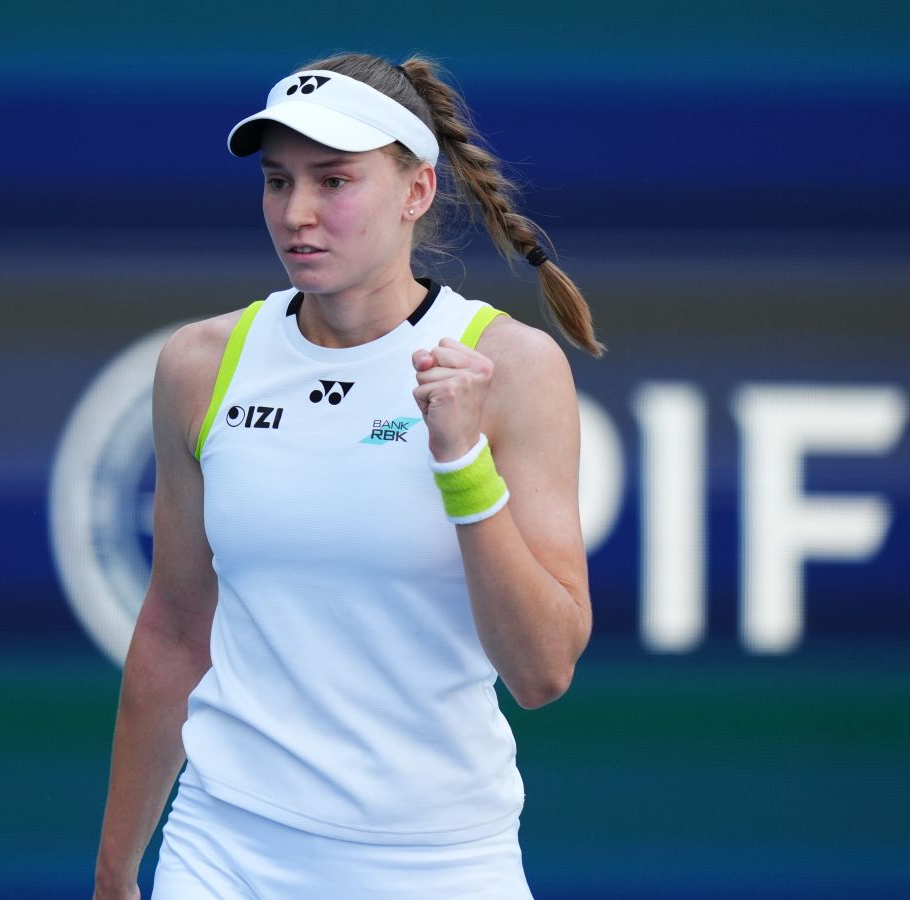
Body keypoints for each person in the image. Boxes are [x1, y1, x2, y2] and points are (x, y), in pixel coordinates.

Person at [93, 52, 602, 900]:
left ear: (416, 191)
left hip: (441, 865)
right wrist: (115, 871)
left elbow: (543, 672)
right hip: (222, 851)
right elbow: (175, 630)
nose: (297, 213)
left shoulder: (512, 367)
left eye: (334, 181)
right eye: (277, 181)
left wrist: (462, 462)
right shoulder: (200, 364)